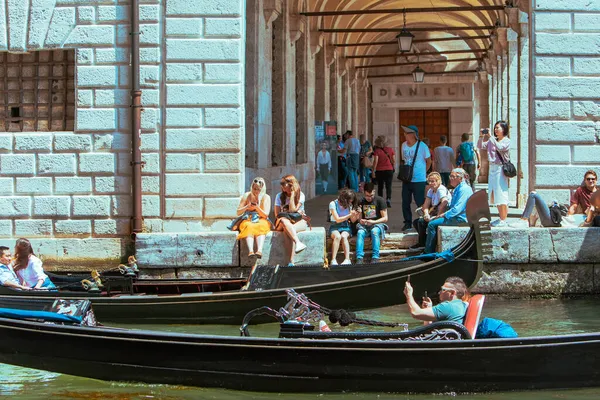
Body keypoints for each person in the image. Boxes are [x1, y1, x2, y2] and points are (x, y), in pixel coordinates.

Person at [423, 168, 473, 254]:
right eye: (451, 176)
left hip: (461, 218)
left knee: (431, 224)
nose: (450, 178)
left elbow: (457, 209)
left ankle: (428, 252)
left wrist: (443, 215)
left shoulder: (464, 189)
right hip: (455, 216)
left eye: (453, 176)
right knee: (427, 222)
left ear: (460, 178)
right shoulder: (458, 188)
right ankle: (427, 247)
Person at [478, 121, 511, 227]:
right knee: (495, 193)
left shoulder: (506, 141)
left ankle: (504, 219)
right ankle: (500, 217)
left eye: (498, 128)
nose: (496, 130)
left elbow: (500, 147)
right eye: (495, 128)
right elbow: (481, 146)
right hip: (492, 168)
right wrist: (481, 136)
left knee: (501, 193)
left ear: (504, 129)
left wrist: (491, 137)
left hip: (500, 168)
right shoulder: (493, 140)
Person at [400, 125, 431, 232]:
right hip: (407, 179)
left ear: (413, 134)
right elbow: (404, 160)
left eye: (407, 133)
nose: (404, 134)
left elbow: (429, 161)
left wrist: (423, 172)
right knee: (405, 202)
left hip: (419, 180)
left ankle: (422, 221)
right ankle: (407, 222)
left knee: (420, 202)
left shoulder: (422, 146)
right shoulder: (403, 145)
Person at [274, 175, 309, 266]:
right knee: (285, 222)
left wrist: (293, 194)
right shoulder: (279, 196)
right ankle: (298, 242)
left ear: (290, 184)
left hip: (299, 221)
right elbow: (277, 214)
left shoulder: (301, 195)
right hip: (282, 221)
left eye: (283, 183)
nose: (281, 185)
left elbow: (293, 210)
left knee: (289, 230)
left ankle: (290, 262)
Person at [411, 172, 451, 250]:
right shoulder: (431, 191)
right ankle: (425, 242)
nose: (431, 183)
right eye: (429, 181)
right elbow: (425, 205)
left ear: (438, 181)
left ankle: (425, 245)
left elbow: (444, 202)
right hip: (434, 213)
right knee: (416, 222)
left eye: (433, 181)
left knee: (422, 222)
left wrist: (438, 216)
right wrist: (426, 214)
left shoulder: (441, 189)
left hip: (443, 213)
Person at [403, 277, 469, 323]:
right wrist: (428, 309)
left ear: (452, 293)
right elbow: (428, 327)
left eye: (443, 290)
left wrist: (409, 294)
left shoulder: (447, 307)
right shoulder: (461, 305)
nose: (439, 292)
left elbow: (416, 313)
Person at [235, 177, 272, 258]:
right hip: (248, 218)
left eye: (258, 189)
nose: (256, 191)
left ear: (262, 189)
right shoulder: (246, 195)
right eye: (254, 188)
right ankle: (251, 251)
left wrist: (257, 207)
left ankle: (259, 250)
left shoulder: (266, 197)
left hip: (261, 219)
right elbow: (238, 212)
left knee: (261, 226)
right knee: (249, 226)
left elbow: (265, 215)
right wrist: (246, 207)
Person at [354, 182, 389, 264]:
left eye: (371, 196)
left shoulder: (380, 200)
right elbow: (359, 219)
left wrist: (373, 222)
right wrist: (360, 220)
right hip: (365, 225)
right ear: (364, 192)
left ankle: (375, 257)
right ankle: (359, 257)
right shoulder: (360, 201)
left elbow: (385, 218)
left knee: (375, 231)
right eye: (367, 196)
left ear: (374, 192)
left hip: (377, 224)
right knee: (360, 232)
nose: (369, 198)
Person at [328, 188, 359, 266]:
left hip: (346, 226)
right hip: (335, 225)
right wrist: (349, 215)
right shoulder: (333, 204)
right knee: (337, 236)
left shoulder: (350, 205)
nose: (350, 202)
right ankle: (333, 260)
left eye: (351, 201)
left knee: (344, 236)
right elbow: (337, 219)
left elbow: (352, 220)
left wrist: (357, 214)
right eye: (349, 200)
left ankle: (347, 259)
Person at [371, 135, 395, 208]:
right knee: (388, 186)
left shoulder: (377, 151)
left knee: (380, 186)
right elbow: (393, 161)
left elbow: (375, 161)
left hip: (380, 170)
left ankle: (380, 201)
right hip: (389, 170)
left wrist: (373, 171)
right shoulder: (390, 150)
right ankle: (388, 200)